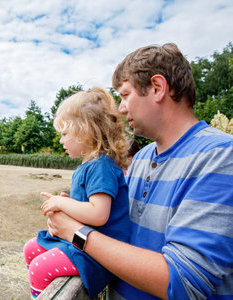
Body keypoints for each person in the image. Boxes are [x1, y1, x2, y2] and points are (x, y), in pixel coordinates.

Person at [46, 43, 233, 299]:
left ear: (157, 88)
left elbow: (184, 283)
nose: (121, 109)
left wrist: (76, 233)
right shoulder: (142, 157)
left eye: (125, 95)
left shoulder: (220, 157)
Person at [23, 87, 131, 298]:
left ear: (85, 131)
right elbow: (88, 206)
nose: (61, 140)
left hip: (98, 254)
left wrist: (62, 204)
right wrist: (70, 204)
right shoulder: (89, 165)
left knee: (39, 268)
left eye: (64, 134)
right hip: (83, 243)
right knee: (30, 249)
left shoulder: (101, 166)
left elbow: (98, 214)